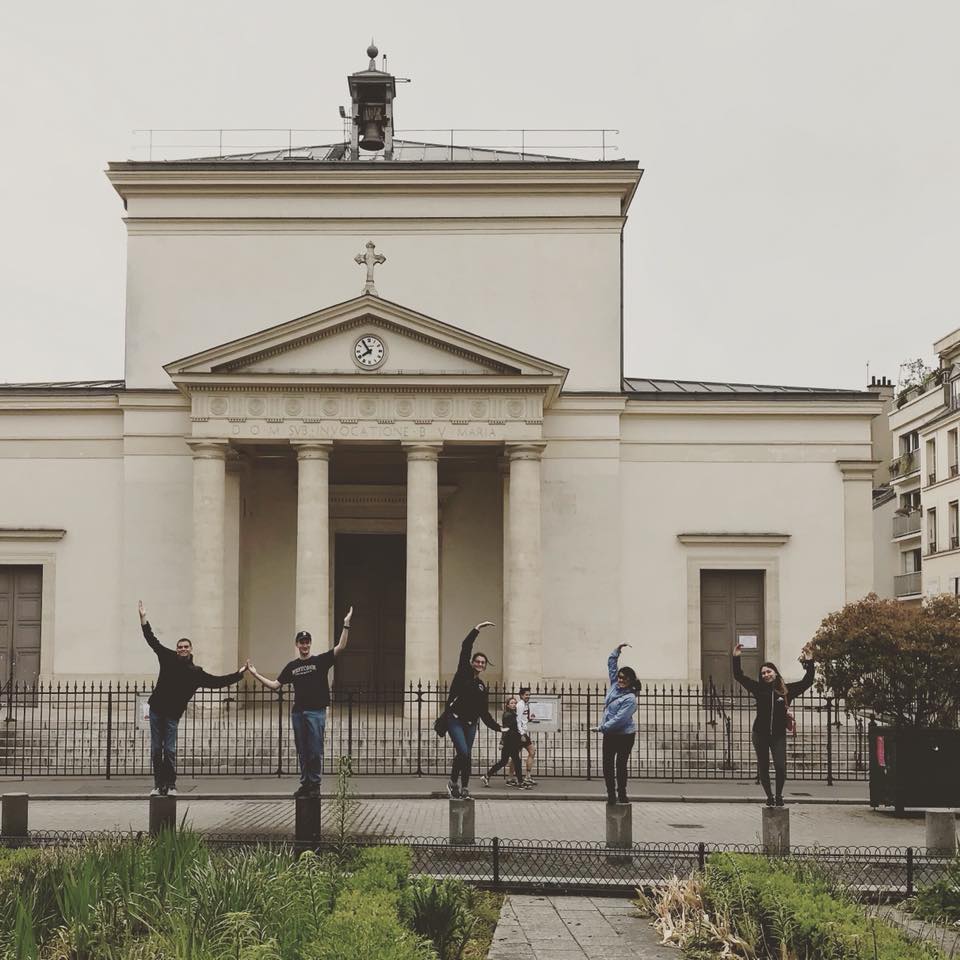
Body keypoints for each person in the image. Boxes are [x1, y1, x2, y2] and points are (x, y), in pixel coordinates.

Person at [138, 600, 247, 797]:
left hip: (172, 715)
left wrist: (239, 674)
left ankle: (170, 785)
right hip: (156, 710)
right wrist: (143, 618)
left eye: (186, 646)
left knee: (169, 751)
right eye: (180, 646)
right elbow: (152, 640)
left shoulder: (196, 673)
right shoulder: (168, 657)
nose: (182, 649)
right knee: (156, 750)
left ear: (191, 649)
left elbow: (217, 682)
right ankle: (157, 785)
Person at [247, 607, 353, 798]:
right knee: (302, 751)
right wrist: (255, 674)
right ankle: (306, 783)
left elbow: (341, 647)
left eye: (307, 642)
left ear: (310, 644)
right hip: (298, 713)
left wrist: (346, 624)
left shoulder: (320, 661)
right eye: (301, 642)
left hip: (316, 712)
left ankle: (315, 783)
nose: (304, 645)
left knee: (314, 750)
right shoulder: (292, 666)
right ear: (297, 645)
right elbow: (274, 685)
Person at [732, 642, 815, 806]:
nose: (766, 675)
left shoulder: (786, 691)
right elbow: (739, 676)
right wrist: (736, 657)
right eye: (763, 673)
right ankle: (769, 796)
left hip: (778, 735)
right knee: (763, 767)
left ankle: (778, 795)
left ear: (775, 673)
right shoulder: (757, 689)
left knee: (780, 766)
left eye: (769, 671)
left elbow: (807, 681)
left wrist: (810, 661)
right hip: (759, 734)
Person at [445, 621, 501, 799]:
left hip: (471, 723)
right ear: (472, 662)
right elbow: (465, 647)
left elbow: (483, 712)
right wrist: (477, 629)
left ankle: (464, 788)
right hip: (454, 719)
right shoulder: (463, 672)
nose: (479, 664)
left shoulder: (481, 686)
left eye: (482, 662)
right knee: (462, 751)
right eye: (477, 661)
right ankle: (453, 783)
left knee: (466, 755)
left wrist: (498, 727)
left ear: (485, 666)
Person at [597, 643, 641, 804]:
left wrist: (602, 727)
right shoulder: (614, 686)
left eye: (624, 678)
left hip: (624, 735)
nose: (620, 680)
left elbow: (620, 719)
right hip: (610, 734)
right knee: (607, 765)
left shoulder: (630, 699)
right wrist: (617, 651)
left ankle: (621, 793)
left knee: (620, 765)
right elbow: (611, 666)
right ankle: (611, 795)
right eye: (620, 677)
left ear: (630, 681)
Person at [480, 695, 528, 789]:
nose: (514, 704)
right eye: (512, 703)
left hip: (512, 740)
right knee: (517, 761)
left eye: (515, 703)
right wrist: (502, 742)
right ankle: (520, 782)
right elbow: (505, 729)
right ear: (507, 705)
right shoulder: (508, 715)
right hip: (510, 741)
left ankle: (487, 776)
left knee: (503, 761)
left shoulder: (512, 714)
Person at [507, 685, 538, 786]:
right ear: (521, 695)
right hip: (521, 733)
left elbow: (522, 718)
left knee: (516, 755)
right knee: (531, 751)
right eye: (525, 695)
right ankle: (525, 777)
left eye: (529, 695)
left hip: (522, 732)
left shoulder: (525, 704)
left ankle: (512, 777)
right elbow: (517, 720)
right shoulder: (520, 705)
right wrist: (521, 734)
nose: (527, 696)